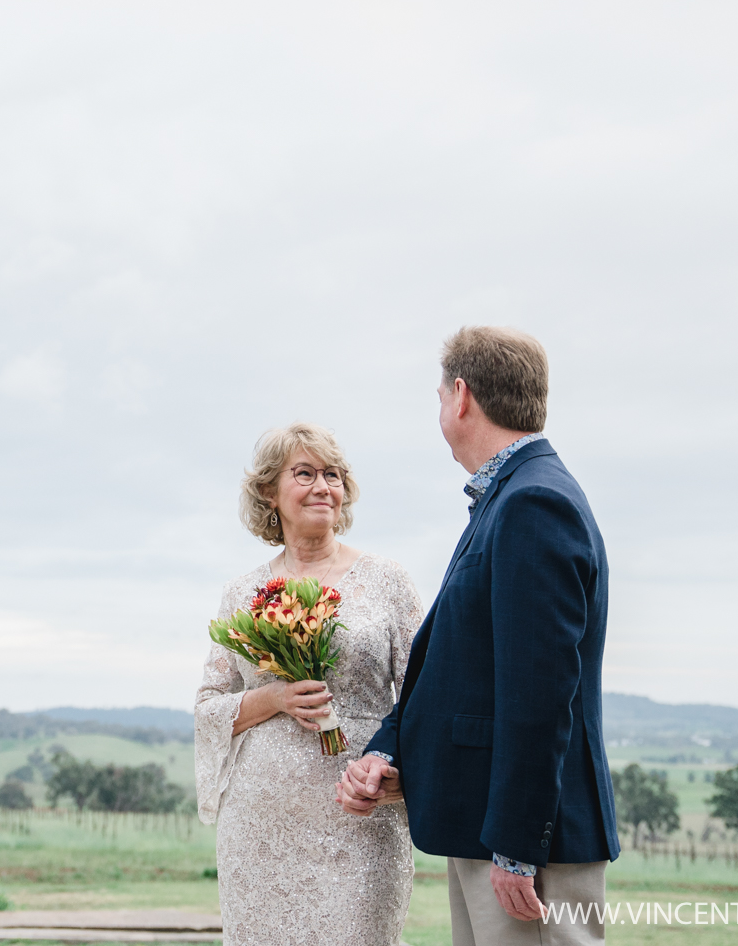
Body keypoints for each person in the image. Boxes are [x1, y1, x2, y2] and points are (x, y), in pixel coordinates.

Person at [337, 328, 619, 945]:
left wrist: (517, 844)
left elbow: (540, 691)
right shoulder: (509, 497)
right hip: (488, 826)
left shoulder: (534, 503)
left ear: (461, 396)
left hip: (522, 842)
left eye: (439, 394)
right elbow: (454, 667)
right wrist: (390, 752)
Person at [194, 423, 424, 946]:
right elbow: (209, 707)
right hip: (260, 824)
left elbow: (423, 698)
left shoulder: (388, 581)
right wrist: (274, 696)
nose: (324, 486)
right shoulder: (242, 592)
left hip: (359, 815)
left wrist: (400, 776)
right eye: (305, 473)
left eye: (333, 475)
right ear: (269, 494)